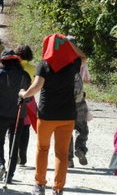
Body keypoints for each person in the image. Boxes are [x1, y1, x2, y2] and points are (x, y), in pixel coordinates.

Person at [18, 34, 88, 195]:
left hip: (47, 115)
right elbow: (84, 57)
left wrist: (23, 94)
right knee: (62, 153)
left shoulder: (44, 65)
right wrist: (70, 45)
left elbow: (35, 88)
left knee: (43, 149)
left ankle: (40, 184)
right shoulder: (72, 64)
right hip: (67, 115)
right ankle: (58, 189)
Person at [0, 50, 32, 183]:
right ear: (17, 61)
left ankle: (1, 165)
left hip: (1, 113)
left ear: (4, 61)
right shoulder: (25, 75)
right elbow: (29, 97)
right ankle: (10, 175)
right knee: (14, 143)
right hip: (18, 114)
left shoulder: (0, 73)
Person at [66, 36, 90, 168]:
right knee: (82, 129)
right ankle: (80, 149)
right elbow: (87, 80)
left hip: (65, 102)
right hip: (79, 100)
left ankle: (68, 159)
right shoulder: (80, 62)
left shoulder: (60, 61)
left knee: (67, 130)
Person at [16, 44, 35, 166]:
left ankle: (15, 154)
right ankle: (23, 157)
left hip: (16, 99)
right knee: (26, 129)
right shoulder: (33, 68)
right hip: (30, 99)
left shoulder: (16, 66)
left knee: (15, 128)